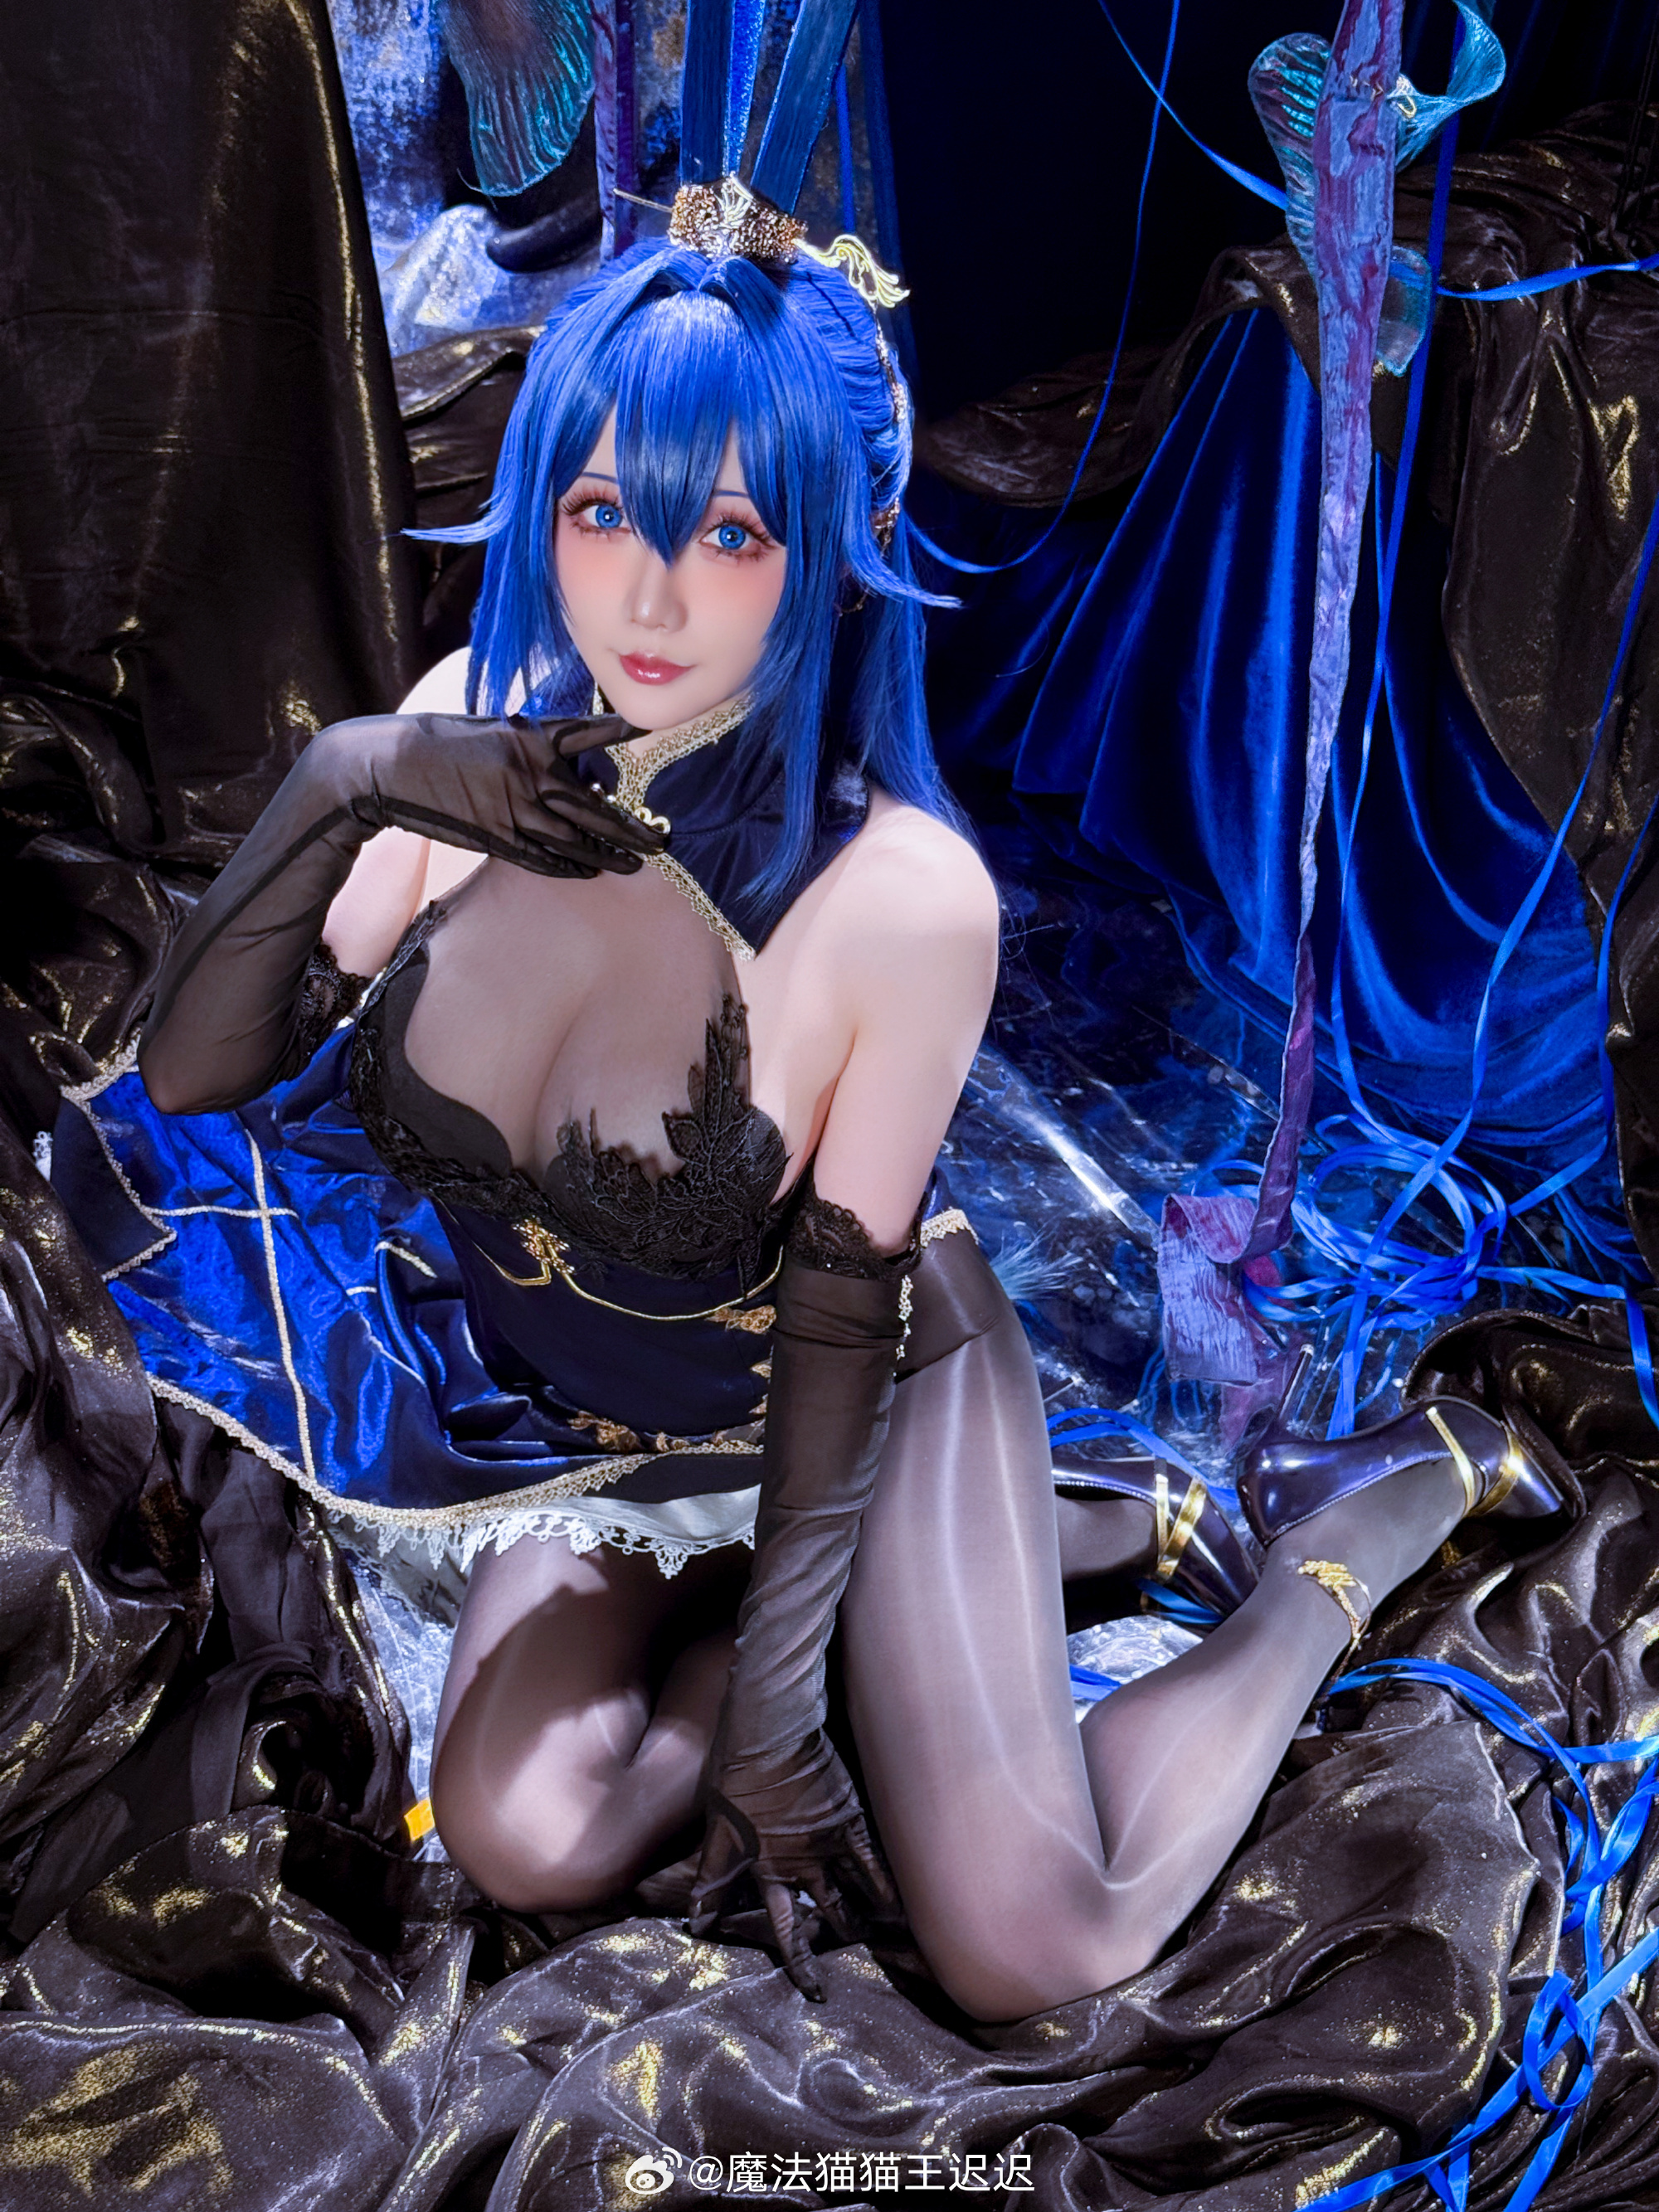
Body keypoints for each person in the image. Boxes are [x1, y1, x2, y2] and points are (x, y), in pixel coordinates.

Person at [134, 203, 1559, 2025]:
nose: (649, 601)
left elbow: (834, 1328)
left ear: (832, 550)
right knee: (523, 1834)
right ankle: (1090, 1529)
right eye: (602, 513)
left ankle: (1357, 1515)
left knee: (1032, 1944)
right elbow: (193, 1073)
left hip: (866, 1404)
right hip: (595, 1437)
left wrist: (782, 1728)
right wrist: (350, 779)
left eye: (730, 534)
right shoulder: (457, 729)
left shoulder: (899, 896)